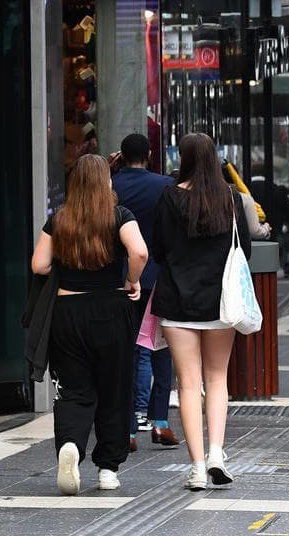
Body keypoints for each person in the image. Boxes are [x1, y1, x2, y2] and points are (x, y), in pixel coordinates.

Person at [31, 154, 148, 495]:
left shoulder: (60, 220)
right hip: (112, 309)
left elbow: (39, 265)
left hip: (67, 313)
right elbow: (139, 252)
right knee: (114, 389)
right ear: (105, 182)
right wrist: (132, 280)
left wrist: (65, 269)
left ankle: (70, 445)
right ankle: (108, 468)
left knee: (74, 389)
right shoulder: (120, 216)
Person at [152, 133, 252, 490]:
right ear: (214, 158)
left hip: (178, 300)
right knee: (217, 379)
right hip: (221, 303)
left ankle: (195, 467)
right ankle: (216, 454)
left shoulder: (170, 196)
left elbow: (159, 249)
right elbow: (247, 252)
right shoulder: (230, 198)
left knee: (188, 385)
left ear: (185, 157)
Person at [110, 135, 180, 452]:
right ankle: (160, 421)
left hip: (119, 277)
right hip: (157, 275)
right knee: (161, 346)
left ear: (122, 156)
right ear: (150, 155)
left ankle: (126, 428)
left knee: (124, 350)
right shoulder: (165, 185)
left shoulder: (110, 184)